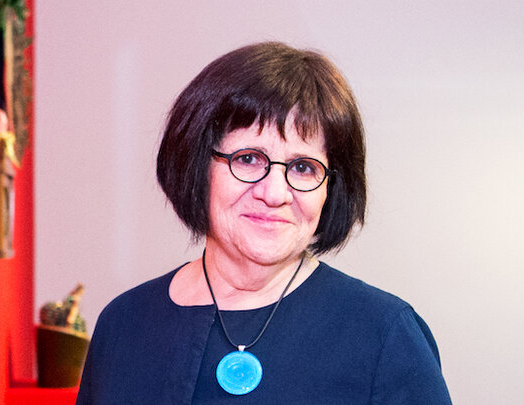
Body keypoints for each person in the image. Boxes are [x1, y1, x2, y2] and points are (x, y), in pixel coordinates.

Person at [75, 42, 451, 404]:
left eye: (303, 167)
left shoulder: (385, 335)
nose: (274, 193)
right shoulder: (123, 323)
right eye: (249, 158)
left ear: (331, 188)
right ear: (196, 165)